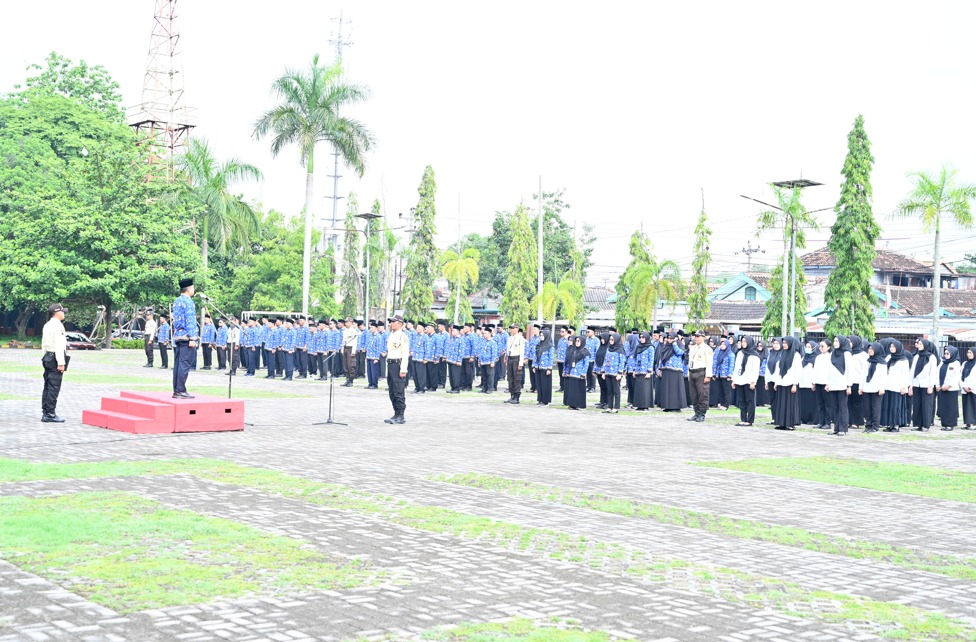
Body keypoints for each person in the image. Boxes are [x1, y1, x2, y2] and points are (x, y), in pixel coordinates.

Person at [41, 303, 70, 422]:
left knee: (47, 386)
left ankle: (46, 412)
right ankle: (50, 414)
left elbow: (44, 343)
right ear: (57, 313)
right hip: (55, 358)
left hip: (47, 356)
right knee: (54, 387)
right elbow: (59, 345)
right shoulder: (58, 326)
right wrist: (61, 363)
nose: (64, 313)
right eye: (63, 311)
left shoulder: (47, 324)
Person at [171, 277, 199, 399]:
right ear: (189, 289)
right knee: (184, 364)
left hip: (178, 336)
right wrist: (193, 338)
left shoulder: (177, 301)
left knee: (178, 364)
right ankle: (181, 390)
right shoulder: (188, 302)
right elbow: (190, 320)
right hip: (187, 336)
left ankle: (176, 389)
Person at [385, 315, 410, 424]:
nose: (391, 324)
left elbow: (405, 354)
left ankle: (401, 415)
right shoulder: (391, 335)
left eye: (393, 322)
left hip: (398, 365)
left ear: (400, 324)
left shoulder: (402, 336)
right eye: (390, 322)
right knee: (392, 391)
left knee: (398, 391)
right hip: (391, 364)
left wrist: (403, 369)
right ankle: (396, 413)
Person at [881, 339, 911, 432]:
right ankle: (889, 424)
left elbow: (906, 374)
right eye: (890, 346)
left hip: (897, 387)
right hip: (888, 385)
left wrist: (904, 387)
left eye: (894, 347)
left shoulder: (903, 360)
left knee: (896, 406)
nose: (892, 348)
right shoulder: (889, 357)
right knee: (888, 406)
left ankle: (896, 425)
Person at [773, 336, 802, 431]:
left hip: (790, 383)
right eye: (783, 343)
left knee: (790, 404)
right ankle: (781, 423)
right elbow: (779, 369)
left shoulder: (796, 355)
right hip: (782, 382)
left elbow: (798, 371)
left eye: (785, 343)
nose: (784, 345)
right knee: (781, 403)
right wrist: (776, 382)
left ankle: (790, 424)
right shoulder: (782, 353)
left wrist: (794, 384)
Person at [910, 338, 939, 431]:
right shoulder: (916, 357)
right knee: (917, 405)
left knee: (926, 405)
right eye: (918, 343)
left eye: (921, 344)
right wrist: (910, 385)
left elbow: (933, 372)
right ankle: (918, 424)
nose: (919, 345)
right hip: (916, 384)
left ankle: (926, 425)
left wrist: (931, 386)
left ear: (926, 345)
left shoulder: (931, 357)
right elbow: (912, 372)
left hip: (926, 384)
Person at [826, 335, 853, 436]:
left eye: (837, 341)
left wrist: (849, 385)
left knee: (842, 407)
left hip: (842, 384)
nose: (835, 343)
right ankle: (836, 428)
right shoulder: (833, 353)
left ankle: (843, 428)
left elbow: (850, 370)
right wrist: (828, 383)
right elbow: (829, 369)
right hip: (833, 384)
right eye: (834, 341)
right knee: (835, 407)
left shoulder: (847, 354)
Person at [732, 336, 761, 426]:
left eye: (745, 341)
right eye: (742, 341)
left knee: (750, 401)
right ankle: (743, 419)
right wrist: (734, 380)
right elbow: (736, 367)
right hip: (740, 380)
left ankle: (750, 420)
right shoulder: (740, 353)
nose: (743, 343)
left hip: (749, 381)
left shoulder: (754, 355)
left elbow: (755, 370)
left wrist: (753, 381)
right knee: (741, 401)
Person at [860, 342, 888, 434]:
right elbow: (863, 375)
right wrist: (861, 387)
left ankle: (875, 426)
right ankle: (868, 425)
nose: (870, 350)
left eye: (872, 349)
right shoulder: (867, 361)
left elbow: (883, 377)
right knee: (867, 408)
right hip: (867, 388)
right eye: (869, 349)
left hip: (876, 388)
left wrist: (882, 388)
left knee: (875, 408)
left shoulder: (882, 363)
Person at [657, 332, 687, 412]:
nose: (669, 340)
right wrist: (659, 368)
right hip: (666, 370)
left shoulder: (679, 345)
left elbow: (680, 352)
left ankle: (676, 407)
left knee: (675, 389)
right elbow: (662, 357)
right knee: (667, 389)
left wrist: (674, 344)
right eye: (668, 338)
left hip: (676, 370)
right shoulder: (666, 346)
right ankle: (667, 406)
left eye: (671, 338)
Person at [687, 331, 713, 422]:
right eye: (695, 336)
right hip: (692, 371)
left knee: (702, 394)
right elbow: (690, 361)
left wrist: (708, 376)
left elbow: (709, 363)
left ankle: (702, 414)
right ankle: (696, 412)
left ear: (703, 337)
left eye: (698, 336)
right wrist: (688, 373)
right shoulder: (692, 348)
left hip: (702, 372)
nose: (696, 338)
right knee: (693, 394)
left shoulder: (707, 349)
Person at [563, 335, 590, 410]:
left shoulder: (585, 352)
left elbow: (586, 364)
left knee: (579, 390)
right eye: (576, 341)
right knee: (573, 389)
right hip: (573, 372)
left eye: (579, 341)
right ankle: (572, 404)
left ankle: (579, 404)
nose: (577, 342)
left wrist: (583, 373)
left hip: (580, 373)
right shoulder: (574, 350)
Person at [938, 346, 962, 431]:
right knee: (944, 406)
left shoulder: (956, 363)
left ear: (952, 354)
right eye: (945, 353)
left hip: (951, 389)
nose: (946, 355)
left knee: (951, 407)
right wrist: (938, 385)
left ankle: (950, 424)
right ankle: (945, 423)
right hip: (942, 387)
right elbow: (938, 373)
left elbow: (956, 376)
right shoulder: (943, 362)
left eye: (948, 353)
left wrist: (949, 385)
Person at [601, 332, 626, 413]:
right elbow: (605, 360)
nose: (611, 341)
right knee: (609, 390)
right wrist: (603, 372)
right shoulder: (609, 348)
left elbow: (622, 362)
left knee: (616, 390)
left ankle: (616, 407)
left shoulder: (620, 349)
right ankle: (610, 406)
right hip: (608, 372)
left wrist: (619, 373)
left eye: (612, 339)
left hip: (616, 373)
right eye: (610, 339)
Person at [847, 335, 867, 429]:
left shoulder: (863, 355)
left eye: (850, 342)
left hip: (858, 382)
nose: (849, 344)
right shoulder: (848, 353)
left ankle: (856, 422)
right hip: (848, 382)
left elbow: (864, 371)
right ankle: (849, 421)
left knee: (857, 403)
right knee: (848, 403)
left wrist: (861, 386)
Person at [799, 338, 820, 426]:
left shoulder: (816, 358)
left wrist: (814, 382)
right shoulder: (804, 357)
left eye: (809, 347)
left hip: (811, 384)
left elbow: (817, 371)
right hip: (803, 383)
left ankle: (813, 419)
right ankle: (804, 418)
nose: (807, 348)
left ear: (814, 348)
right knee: (804, 403)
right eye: (806, 346)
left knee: (812, 403)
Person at [812, 339, 832, 429]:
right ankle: (821, 421)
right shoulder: (818, 357)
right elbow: (815, 370)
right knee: (820, 404)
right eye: (820, 346)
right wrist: (813, 382)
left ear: (828, 347)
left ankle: (827, 423)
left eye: (823, 346)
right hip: (818, 382)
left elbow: (831, 372)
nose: (821, 348)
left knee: (828, 404)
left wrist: (829, 383)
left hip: (826, 383)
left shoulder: (831, 357)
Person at [534, 328, 555, 406]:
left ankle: (545, 401)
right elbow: (535, 355)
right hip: (539, 367)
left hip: (546, 368)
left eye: (542, 335)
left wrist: (549, 368)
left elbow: (551, 357)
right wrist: (534, 366)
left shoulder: (550, 346)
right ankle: (540, 399)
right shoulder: (538, 344)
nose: (541, 337)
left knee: (545, 385)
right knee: (539, 384)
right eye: (540, 335)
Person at [505, 324, 525, 404]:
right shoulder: (509, 338)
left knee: (517, 378)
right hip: (510, 358)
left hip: (517, 359)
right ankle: (512, 395)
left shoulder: (520, 339)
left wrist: (520, 363)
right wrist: (506, 357)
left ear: (517, 329)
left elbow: (522, 352)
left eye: (513, 328)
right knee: (510, 378)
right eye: (511, 328)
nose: (511, 330)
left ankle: (517, 397)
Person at [765, 338, 782, 426]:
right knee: (772, 400)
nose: (775, 345)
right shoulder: (770, 354)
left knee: (778, 400)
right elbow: (767, 368)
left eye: (777, 343)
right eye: (774, 343)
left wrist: (777, 381)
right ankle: (774, 417)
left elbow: (780, 370)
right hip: (770, 380)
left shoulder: (782, 354)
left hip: (778, 381)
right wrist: (766, 381)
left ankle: (779, 418)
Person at [478, 325, 499, 393]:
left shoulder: (493, 342)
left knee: (490, 375)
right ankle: (484, 388)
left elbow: (494, 353)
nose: (484, 335)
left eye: (485, 333)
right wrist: (479, 361)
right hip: (483, 361)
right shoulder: (482, 342)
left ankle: (490, 388)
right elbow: (480, 352)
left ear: (489, 334)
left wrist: (492, 361)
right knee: (484, 376)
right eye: (483, 333)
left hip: (489, 361)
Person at [445, 324, 465, 394]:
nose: (452, 332)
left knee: (456, 375)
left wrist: (459, 360)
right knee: (451, 375)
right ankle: (452, 387)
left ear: (458, 331)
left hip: (456, 360)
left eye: (453, 330)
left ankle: (456, 388)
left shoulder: (461, 339)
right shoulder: (452, 339)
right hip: (450, 359)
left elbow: (461, 351)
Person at [342, 317, 360, 387]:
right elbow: (344, 340)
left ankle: (351, 380)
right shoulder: (345, 331)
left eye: (347, 322)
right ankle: (347, 379)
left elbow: (354, 342)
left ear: (351, 322)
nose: (346, 323)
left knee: (351, 365)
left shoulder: (354, 331)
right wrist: (342, 349)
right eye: (345, 322)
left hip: (351, 348)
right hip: (345, 347)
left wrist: (353, 351)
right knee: (345, 365)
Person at [961, 348, 976, 430]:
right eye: (968, 352)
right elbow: (960, 376)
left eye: (970, 352)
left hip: (973, 389)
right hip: (965, 388)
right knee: (966, 406)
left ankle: (974, 423)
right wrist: (963, 386)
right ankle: (967, 423)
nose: (968, 354)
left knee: (973, 405)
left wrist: (971, 387)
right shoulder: (965, 363)